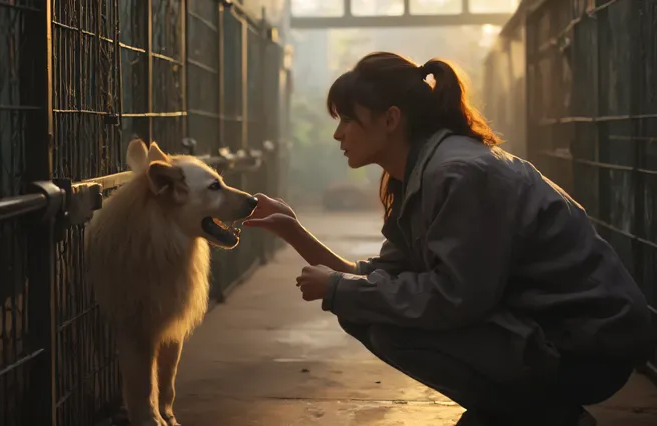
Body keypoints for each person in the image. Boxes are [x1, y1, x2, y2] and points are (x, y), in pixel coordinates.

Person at [242, 52, 654, 426]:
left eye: (348, 119)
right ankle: (511, 409)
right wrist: (293, 231)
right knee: (364, 304)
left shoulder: (457, 174)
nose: (338, 135)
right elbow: (381, 277)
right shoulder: (423, 171)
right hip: (553, 331)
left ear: (390, 119)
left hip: (588, 344)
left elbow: (454, 299)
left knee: (384, 322)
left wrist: (342, 291)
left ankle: (546, 414)